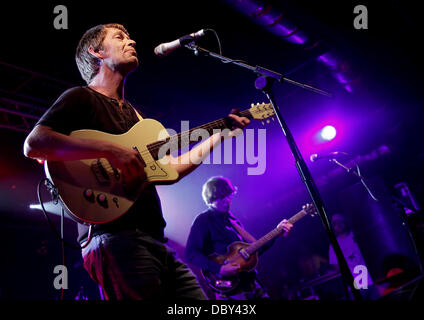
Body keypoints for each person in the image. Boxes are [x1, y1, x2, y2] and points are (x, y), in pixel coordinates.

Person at [23, 23, 250, 300]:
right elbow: (34, 144)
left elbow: (173, 169)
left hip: (154, 240)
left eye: (130, 36)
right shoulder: (80, 98)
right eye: (120, 37)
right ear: (96, 52)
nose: (131, 41)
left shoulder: (136, 116)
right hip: (113, 239)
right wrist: (110, 150)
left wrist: (222, 131)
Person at [184, 176, 293, 299]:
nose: (227, 200)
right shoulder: (204, 220)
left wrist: (277, 233)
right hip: (228, 288)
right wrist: (220, 269)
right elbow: (191, 254)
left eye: (228, 195)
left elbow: (254, 251)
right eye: (221, 197)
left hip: (250, 283)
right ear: (210, 200)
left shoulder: (234, 221)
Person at [328, 213, 380, 299]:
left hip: (373, 279)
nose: (338, 225)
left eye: (340, 221)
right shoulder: (334, 245)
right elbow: (336, 266)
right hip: (355, 284)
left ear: (345, 222)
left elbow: (373, 250)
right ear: (332, 226)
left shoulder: (357, 234)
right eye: (335, 223)